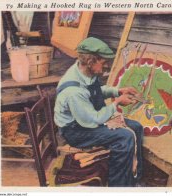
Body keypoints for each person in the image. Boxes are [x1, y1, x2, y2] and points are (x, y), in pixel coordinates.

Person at [54, 37, 144, 187]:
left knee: (136, 127)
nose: (107, 66)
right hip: (76, 131)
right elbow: (94, 119)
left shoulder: (84, 71)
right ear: (91, 62)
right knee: (125, 137)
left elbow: (94, 92)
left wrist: (117, 91)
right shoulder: (73, 91)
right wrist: (117, 103)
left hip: (85, 119)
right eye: (104, 63)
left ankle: (133, 178)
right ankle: (119, 186)